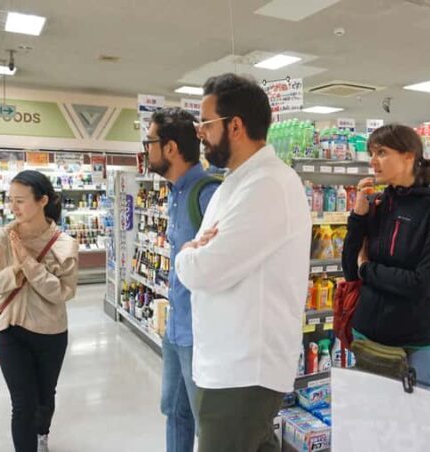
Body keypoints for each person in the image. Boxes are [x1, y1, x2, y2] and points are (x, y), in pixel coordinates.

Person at [175, 73, 312, 452]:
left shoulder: (267, 185)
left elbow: (205, 267)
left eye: (205, 122)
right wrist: (195, 252)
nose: (199, 132)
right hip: (226, 362)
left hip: (244, 369)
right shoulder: (237, 182)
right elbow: (204, 253)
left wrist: (187, 254)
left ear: (234, 126)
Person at [0, 170, 79, 452]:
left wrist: (29, 266)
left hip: (51, 332)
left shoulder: (64, 244)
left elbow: (62, 292)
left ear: (43, 200)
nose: (13, 207)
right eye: (11, 200)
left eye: (20, 201)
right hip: (10, 330)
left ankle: (42, 434)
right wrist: (14, 273)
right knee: (22, 405)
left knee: (45, 398)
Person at [341, 124, 430, 383]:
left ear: (409, 156)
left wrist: (368, 269)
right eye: (372, 153)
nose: (373, 161)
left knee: (411, 420)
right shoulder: (377, 203)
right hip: (365, 335)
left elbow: (421, 284)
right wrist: (358, 217)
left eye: (381, 152)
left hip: (412, 342)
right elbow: (349, 269)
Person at [144, 107, 220, 452]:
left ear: (170, 148)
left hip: (202, 332)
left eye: (150, 141)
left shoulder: (208, 194)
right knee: (173, 409)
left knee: (208, 424)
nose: (147, 149)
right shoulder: (176, 193)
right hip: (177, 326)